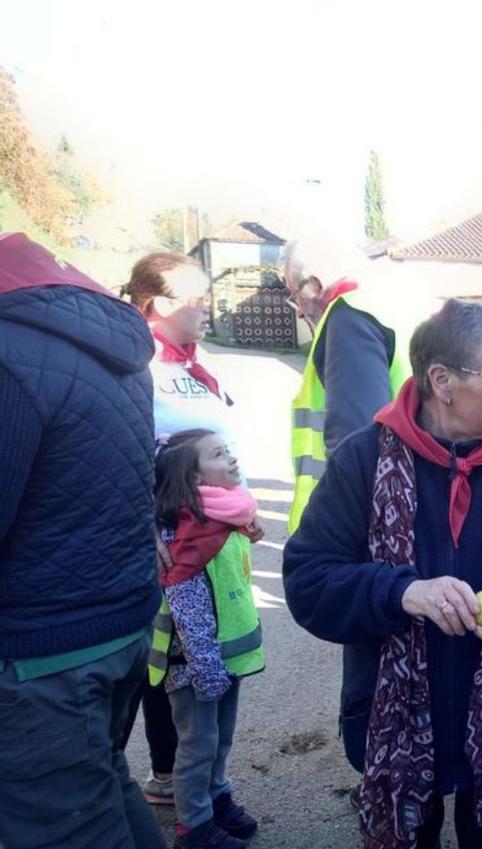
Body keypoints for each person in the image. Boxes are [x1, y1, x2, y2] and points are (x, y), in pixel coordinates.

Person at [282, 299, 482, 849]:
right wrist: (402, 593)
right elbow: (308, 582)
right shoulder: (363, 461)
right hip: (393, 722)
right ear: (442, 380)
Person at [0, 232, 165, 849]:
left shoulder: (10, 352)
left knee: (63, 823)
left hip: (45, 652)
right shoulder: (96, 340)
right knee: (101, 790)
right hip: (113, 625)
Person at [280, 238, 431, 773]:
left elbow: (357, 441)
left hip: (373, 533)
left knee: (378, 667)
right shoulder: (397, 301)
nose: (296, 306)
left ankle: (387, 781)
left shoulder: (348, 316)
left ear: (316, 283)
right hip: (417, 511)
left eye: (294, 291)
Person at [121, 251, 251, 806]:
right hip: (171, 538)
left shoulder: (192, 362)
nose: (209, 307)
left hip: (212, 531)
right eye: (197, 297)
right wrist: (142, 527)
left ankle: (198, 777)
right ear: (162, 303)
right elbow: (121, 451)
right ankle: (172, 776)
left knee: (213, 653)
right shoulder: (136, 363)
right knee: (174, 656)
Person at [151, 430, 263, 849]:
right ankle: (194, 827)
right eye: (219, 455)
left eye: (229, 450)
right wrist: (205, 666)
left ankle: (216, 797)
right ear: (196, 481)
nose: (232, 459)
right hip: (196, 667)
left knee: (221, 737)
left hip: (222, 660)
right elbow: (187, 603)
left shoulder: (222, 517)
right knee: (197, 746)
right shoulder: (191, 533)